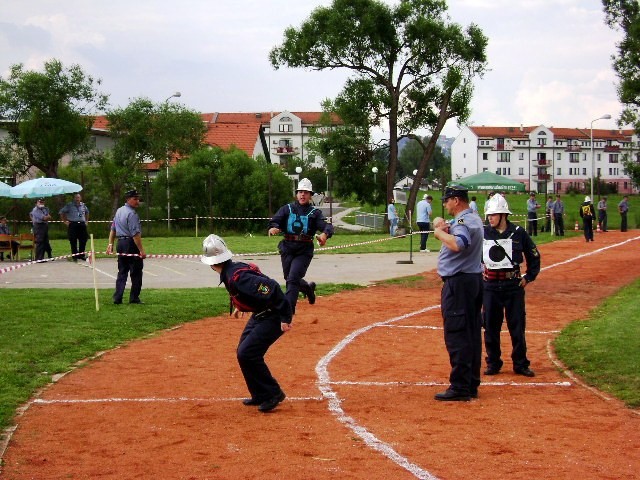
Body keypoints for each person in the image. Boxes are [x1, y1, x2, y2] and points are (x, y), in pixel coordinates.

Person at [201, 234, 292, 412]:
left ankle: (273, 393)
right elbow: (247, 294)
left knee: (248, 353)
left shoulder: (238, 277)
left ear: (212, 264)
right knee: (243, 352)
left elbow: (271, 288)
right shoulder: (231, 271)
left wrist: (285, 318)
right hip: (260, 314)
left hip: (273, 315)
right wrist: (239, 306)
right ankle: (259, 394)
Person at [432, 185, 484, 401]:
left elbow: (459, 244)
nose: (445, 204)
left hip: (459, 283)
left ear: (456, 200)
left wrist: (438, 233)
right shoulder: (473, 219)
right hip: (472, 280)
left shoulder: (463, 222)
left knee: (458, 333)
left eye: (447, 200)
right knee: (471, 333)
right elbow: (454, 229)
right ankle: (470, 382)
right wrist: (442, 226)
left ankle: (460, 386)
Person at [482, 194, 540, 378]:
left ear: (503, 215)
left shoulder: (518, 232)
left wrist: (529, 277)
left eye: (494, 214)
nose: (490, 218)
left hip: (513, 286)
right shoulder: (483, 233)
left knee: (517, 326)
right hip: (490, 286)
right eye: (488, 215)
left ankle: (520, 363)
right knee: (490, 327)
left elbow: (534, 255)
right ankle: (493, 362)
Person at [268, 178, 333, 314]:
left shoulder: (315, 213)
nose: (302, 195)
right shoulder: (287, 209)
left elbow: (326, 226)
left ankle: (287, 312)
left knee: (292, 279)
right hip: (287, 248)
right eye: (300, 192)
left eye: (306, 192)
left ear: (310, 195)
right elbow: (275, 221)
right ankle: (308, 289)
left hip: (304, 250)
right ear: (296, 194)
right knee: (290, 278)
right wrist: (274, 228)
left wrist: (324, 235)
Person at [106, 189, 146, 304]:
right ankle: (134, 298)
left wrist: (110, 244)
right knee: (136, 272)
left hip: (121, 244)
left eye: (138, 199)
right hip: (130, 243)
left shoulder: (119, 211)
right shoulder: (132, 214)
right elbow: (135, 235)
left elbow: (113, 229)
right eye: (135, 199)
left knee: (122, 271)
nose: (137, 201)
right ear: (128, 200)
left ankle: (117, 297)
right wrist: (141, 250)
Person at [59, 193, 90, 261]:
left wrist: (86, 221)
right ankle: (74, 256)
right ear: (74, 198)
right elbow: (61, 212)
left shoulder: (83, 205)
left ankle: (81, 255)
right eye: (76, 197)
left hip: (82, 224)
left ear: (80, 198)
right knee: (73, 240)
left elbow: (87, 212)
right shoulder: (69, 205)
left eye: (78, 197)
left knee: (83, 240)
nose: (77, 199)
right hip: (73, 224)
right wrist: (65, 221)